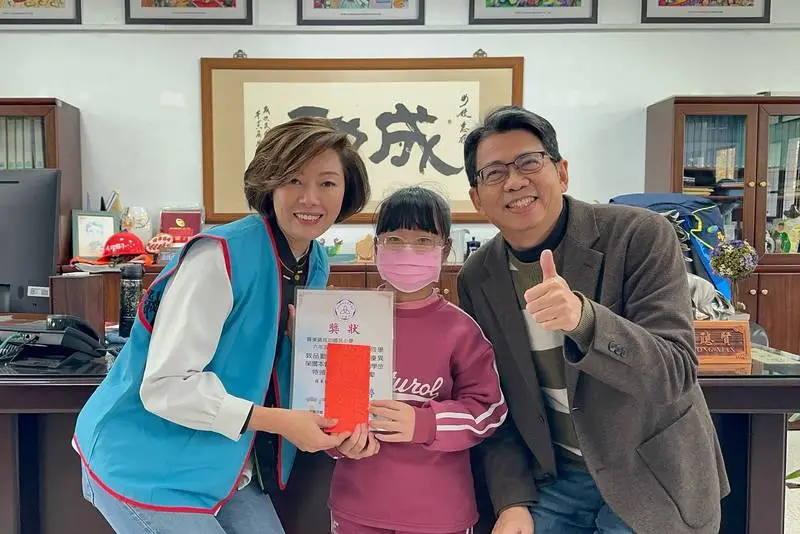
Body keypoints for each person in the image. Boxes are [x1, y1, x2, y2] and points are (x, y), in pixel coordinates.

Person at [72, 116, 371, 534]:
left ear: (347, 190)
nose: (310, 198)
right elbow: (166, 385)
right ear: (269, 184)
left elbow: (294, 372)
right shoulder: (221, 256)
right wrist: (282, 422)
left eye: (327, 183)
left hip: (222, 459)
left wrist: (345, 428)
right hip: (143, 458)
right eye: (293, 180)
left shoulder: (315, 263)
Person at [456, 106, 729, 534]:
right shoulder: (478, 276)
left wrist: (585, 321)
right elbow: (493, 398)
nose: (514, 181)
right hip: (557, 477)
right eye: (494, 173)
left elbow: (675, 371)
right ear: (477, 199)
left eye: (529, 162)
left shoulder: (640, 235)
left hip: (651, 472)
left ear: (562, 172)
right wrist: (511, 500)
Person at [327, 186, 508, 534]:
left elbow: (489, 410)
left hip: (439, 513)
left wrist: (425, 424)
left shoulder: (461, 330)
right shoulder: (352, 322)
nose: (407, 251)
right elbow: (329, 407)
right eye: (394, 240)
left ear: (445, 249)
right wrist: (338, 442)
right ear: (376, 246)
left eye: (423, 240)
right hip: (356, 507)